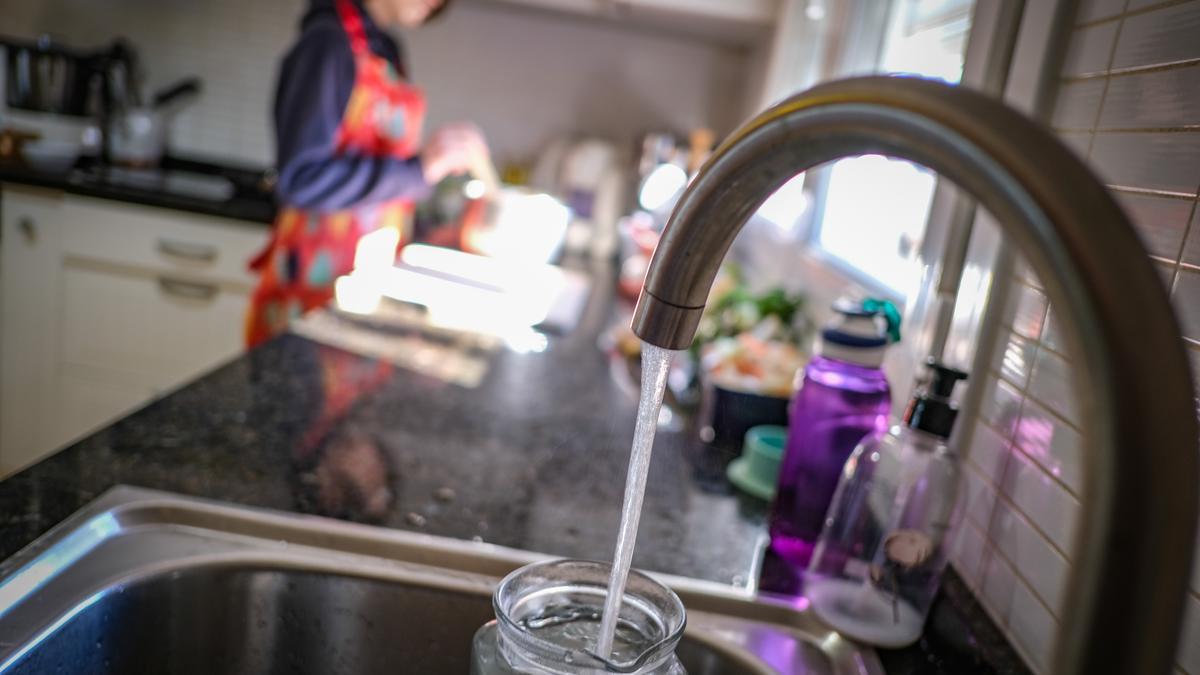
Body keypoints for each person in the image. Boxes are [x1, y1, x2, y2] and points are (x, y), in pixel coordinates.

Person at [247, 0, 489, 346]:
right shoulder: (327, 45)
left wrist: (429, 177)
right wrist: (420, 170)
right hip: (312, 288)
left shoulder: (386, 49)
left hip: (363, 283)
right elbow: (301, 179)